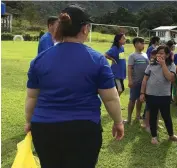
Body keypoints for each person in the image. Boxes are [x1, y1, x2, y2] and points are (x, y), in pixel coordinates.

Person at [25, 5, 124, 167]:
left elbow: (32, 96)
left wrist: (29, 121)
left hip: (44, 129)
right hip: (83, 129)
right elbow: (111, 98)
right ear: (85, 29)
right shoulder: (97, 60)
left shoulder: (39, 60)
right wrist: (118, 122)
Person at [139, 46, 177, 144]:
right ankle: (154, 137)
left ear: (168, 55)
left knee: (166, 116)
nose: (159, 55)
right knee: (153, 115)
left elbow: (170, 78)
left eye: (162, 53)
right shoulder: (151, 64)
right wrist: (142, 93)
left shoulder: (172, 65)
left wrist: (163, 64)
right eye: (158, 53)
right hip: (151, 95)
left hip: (164, 95)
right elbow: (145, 79)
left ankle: (171, 135)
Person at [126, 37, 148, 124]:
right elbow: (129, 68)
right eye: (141, 43)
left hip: (144, 82)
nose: (143, 44)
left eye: (144, 43)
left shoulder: (145, 55)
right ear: (136, 44)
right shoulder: (132, 56)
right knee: (132, 100)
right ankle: (129, 118)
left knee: (140, 99)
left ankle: (138, 116)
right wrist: (130, 80)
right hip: (135, 82)